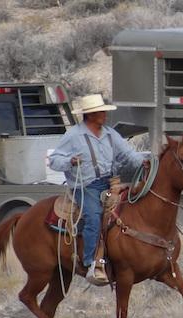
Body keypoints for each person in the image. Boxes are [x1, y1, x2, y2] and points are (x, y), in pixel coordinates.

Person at [48, 94, 149, 285]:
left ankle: (120, 258)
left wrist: (145, 162)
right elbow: (54, 160)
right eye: (100, 112)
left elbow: (128, 155)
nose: (104, 115)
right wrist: (70, 161)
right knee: (93, 216)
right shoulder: (73, 136)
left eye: (103, 111)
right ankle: (90, 262)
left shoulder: (110, 134)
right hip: (85, 186)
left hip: (109, 184)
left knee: (128, 210)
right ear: (90, 115)